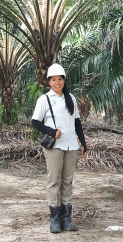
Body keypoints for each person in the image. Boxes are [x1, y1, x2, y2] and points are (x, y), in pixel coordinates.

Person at [31, 63, 88, 234]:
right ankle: (54, 219)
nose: (57, 82)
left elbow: (77, 122)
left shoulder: (71, 98)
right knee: (54, 180)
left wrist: (83, 143)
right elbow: (35, 122)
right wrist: (51, 131)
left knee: (67, 181)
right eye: (53, 79)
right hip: (54, 146)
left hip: (71, 145)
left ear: (64, 80)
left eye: (60, 79)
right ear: (49, 81)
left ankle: (67, 218)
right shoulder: (44, 99)